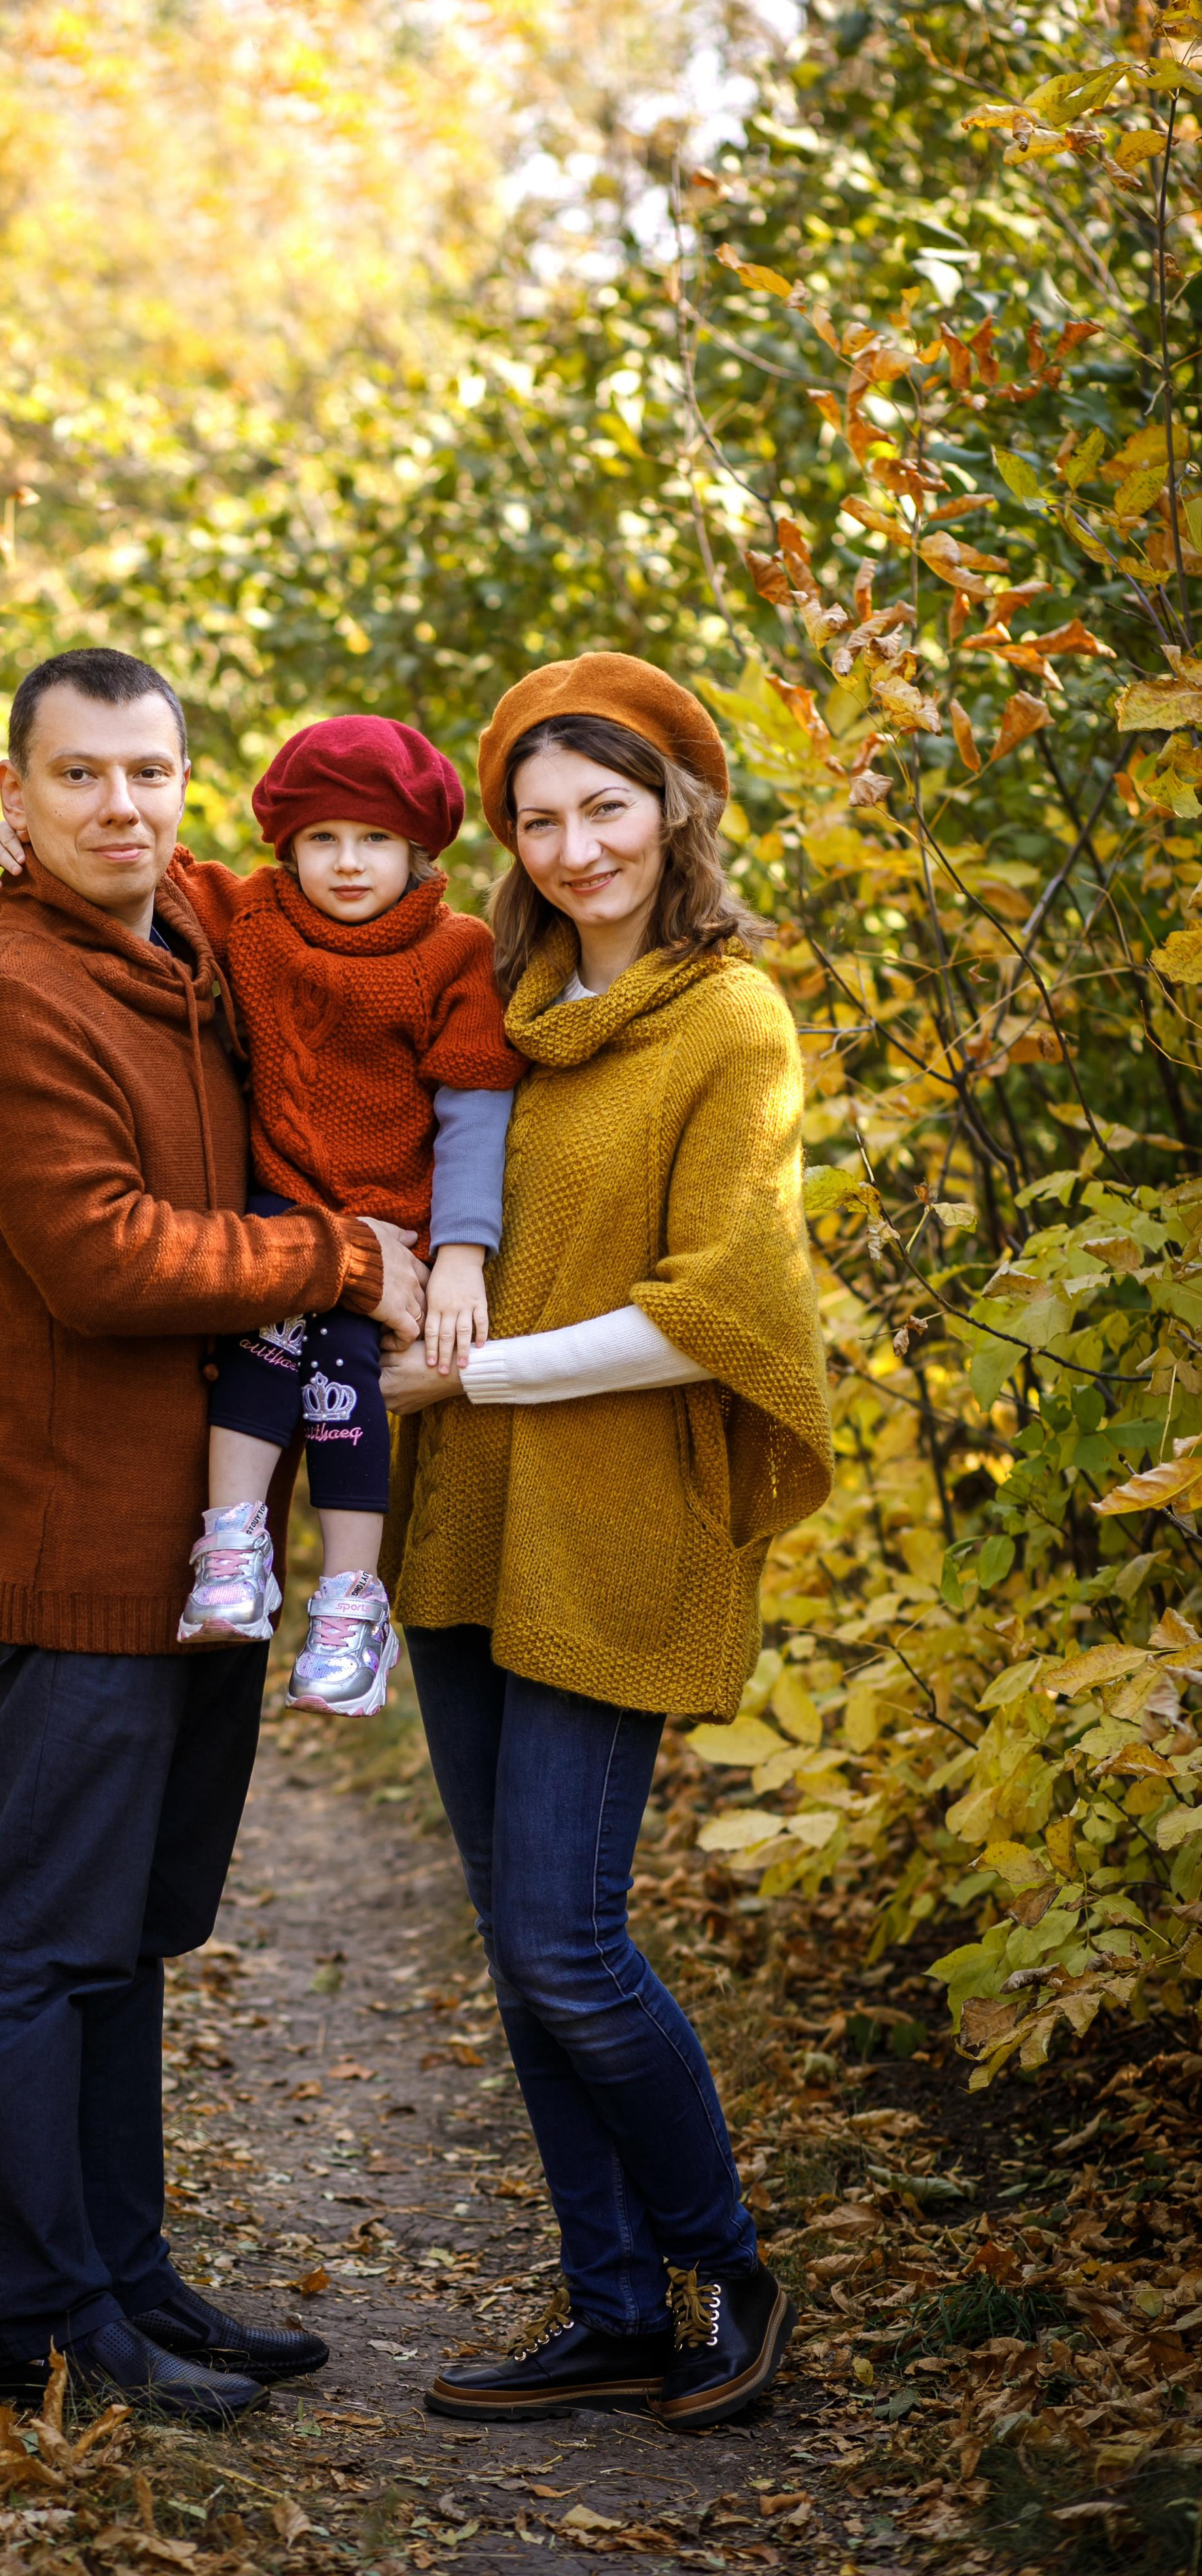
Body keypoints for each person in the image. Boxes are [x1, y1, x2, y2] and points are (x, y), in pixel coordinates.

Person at [0, 646, 427, 2429]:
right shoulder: (11, 997)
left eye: (149, 775)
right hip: (82, 1554)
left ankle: (129, 2282)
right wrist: (346, 1257)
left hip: (207, 1546)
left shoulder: (192, 937)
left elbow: (334, 896)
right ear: (17, 797)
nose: (119, 808)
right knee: (37, 1953)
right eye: (79, 778)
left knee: (127, 1942)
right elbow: (109, 1257)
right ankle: (41, 2332)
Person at [379, 652, 832, 2433]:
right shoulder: (489, 1004)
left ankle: (733, 2274)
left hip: (618, 1519)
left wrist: (471, 1380)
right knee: (513, 1938)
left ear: (677, 811)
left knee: (568, 1939)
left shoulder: (732, 1022)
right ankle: (612, 2305)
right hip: (471, 1520)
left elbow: (719, 1310)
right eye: (539, 817)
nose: (576, 847)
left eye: (608, 808)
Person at [0, 714, 524, 1720]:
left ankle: (353, 1600)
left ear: (420, 849)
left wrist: (461, 1256)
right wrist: (12, 849)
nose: (347, 863)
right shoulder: (254, 916)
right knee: (263, 1349)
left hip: (392, 1223)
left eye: (375, 840)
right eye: (321, 839)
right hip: (284, 1204)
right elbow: (139, 858)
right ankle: (233, 1545)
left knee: (345, 1382)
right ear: (286, 846)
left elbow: (476, 1108)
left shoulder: (456, 952)